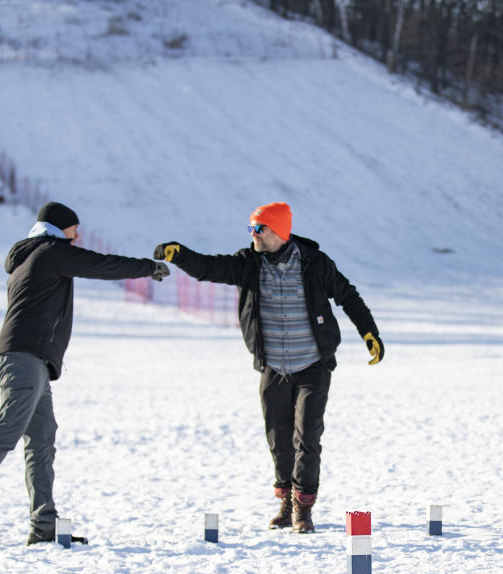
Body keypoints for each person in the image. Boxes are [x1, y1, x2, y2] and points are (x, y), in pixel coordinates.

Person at [0, 201, 170, 545]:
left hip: (33, 357)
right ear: (61, 229)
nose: (79, 235)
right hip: (24, 355)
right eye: (75, 229)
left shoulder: (34, 254)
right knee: (10, 426)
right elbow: (101, 264)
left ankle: (44, 524)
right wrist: (148, 267)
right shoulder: (49, 252)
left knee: (42, 439)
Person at [154, 202, 383, 533]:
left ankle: (303, 509)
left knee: (307, 436)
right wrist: (180, 255)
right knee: (278, 437)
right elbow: (208, 268)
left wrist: (369, 332)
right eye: (250, 229)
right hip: (273, 366)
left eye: (259, 229)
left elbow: (347, 296)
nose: (254, 235)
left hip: (312, 365)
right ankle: (286, 500)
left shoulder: (314, 263)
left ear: (279, 231)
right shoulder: (248, 264)